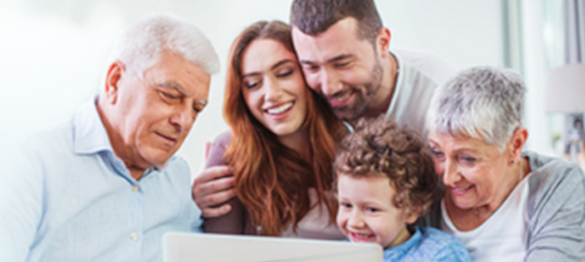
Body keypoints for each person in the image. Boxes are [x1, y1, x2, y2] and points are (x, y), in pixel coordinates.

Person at [193, 0, 457, 221]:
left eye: (342, 63)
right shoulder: (313, 99)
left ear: (383, 43)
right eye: (311, 67)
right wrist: (193, 203)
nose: (328, 87)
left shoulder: (439, 97)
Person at [2, 14, 220, 262]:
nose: (185, 121)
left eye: (197, 109)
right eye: (170, 95)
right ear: (114, 80)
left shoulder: (178, 179)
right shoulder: (29, 163)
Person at [200, 20, 346, 239]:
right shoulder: (231, 152)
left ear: (309, 72)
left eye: (285, 73)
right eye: (253, 84)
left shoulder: (354, 144)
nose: (271, 94)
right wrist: (188, 206)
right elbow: (218, 251)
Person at [425, 67, 585, 261]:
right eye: (438, 153)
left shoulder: (558, 184)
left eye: (467, 158)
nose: (448, 177)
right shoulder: (424, 193)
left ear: (515, 145)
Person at [334, 117, 471, 262]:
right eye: (346, 205)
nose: (354, 222)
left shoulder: (439, 254)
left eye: (372, 209)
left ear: (412, 209)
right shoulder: (338, 255)